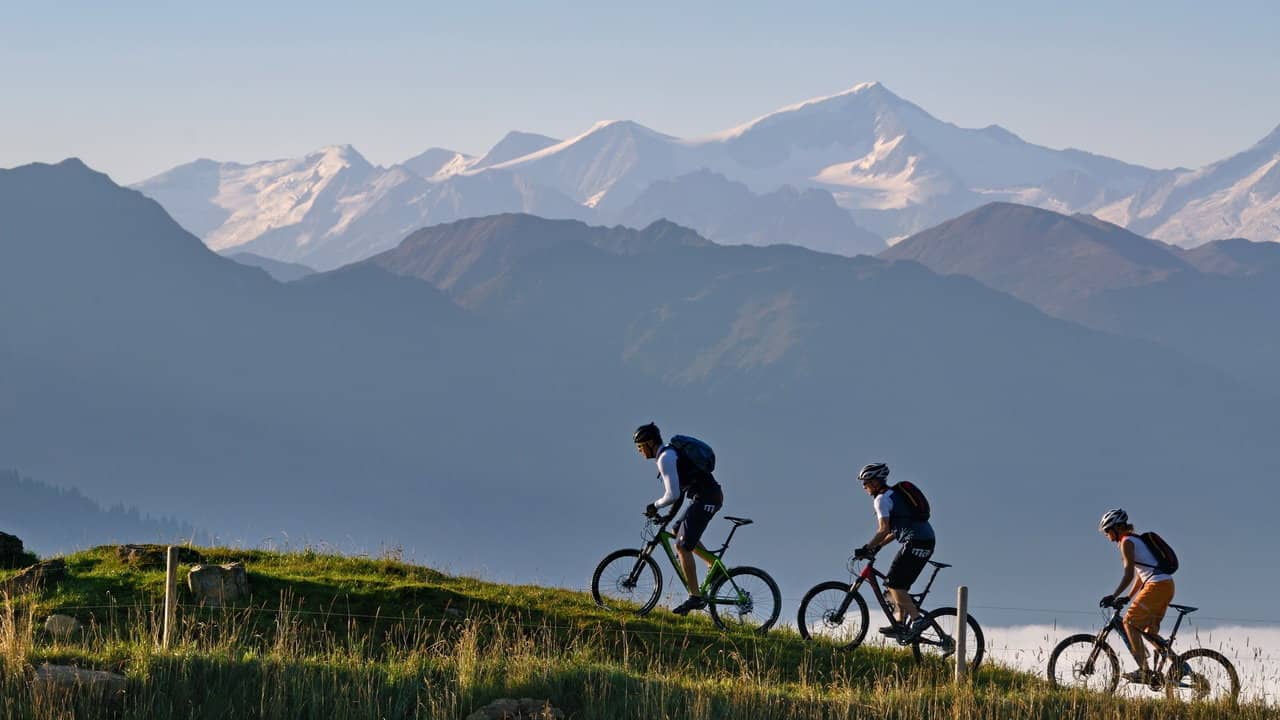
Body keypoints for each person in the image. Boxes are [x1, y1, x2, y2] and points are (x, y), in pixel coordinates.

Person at [633, 422, 724, 615]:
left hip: (707, 499)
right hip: (705, 497)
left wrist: (655, 505)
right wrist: (667, 517)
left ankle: (695, 597)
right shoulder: (670, 455)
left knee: (682, 546)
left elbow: (672, 494)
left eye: (640, 447)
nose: (640, 451)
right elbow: (680, 494)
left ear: (650, 443)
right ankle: (712, 566)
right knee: (676, 531)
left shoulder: (665, 458)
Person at [853, 462, 935, 639]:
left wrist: (866, 548)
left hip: (916, 541)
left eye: (866, 482)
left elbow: (883, 529)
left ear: (875, 482)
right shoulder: (895, 494)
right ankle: (899, 624)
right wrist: (878, 546)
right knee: (898, 586)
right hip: (926, 540)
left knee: (893, 583)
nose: (864, 486)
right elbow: (894, 531)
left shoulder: (881, 499)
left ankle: (918, 620)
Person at [1098, 508, 1176, 686]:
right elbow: (1142, 574)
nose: (1106, 535)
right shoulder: (1136, 540)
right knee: (1149, 633)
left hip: (1156, 586)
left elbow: (1128, 574)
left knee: (1129, 622)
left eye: (1108, 530)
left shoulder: (1126, 542)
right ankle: (1180, 665)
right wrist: (1128, 597)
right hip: (1165, 586)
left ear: (1117, 528)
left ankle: (1144, 671)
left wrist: (1114, 595)